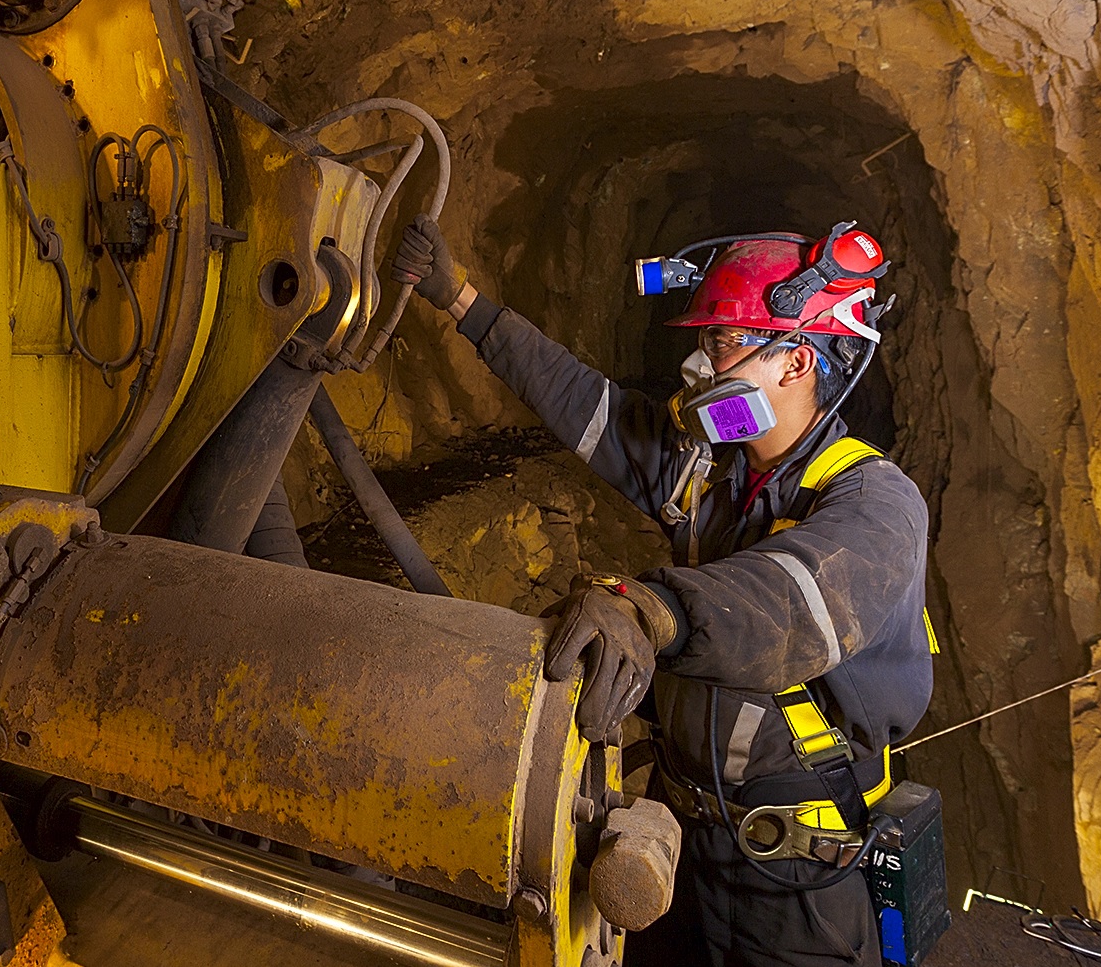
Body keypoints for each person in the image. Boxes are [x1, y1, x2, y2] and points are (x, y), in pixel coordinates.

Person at [390, 214, 933, 967]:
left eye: (725, 342)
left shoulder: (877, 504)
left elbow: (788, 602)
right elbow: (587, 407)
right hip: (675, 844)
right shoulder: (710, 468)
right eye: (706, 340)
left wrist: (651, 607)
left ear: (797, 362)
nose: (700, 363)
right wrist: (461, 301)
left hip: (795, 881)